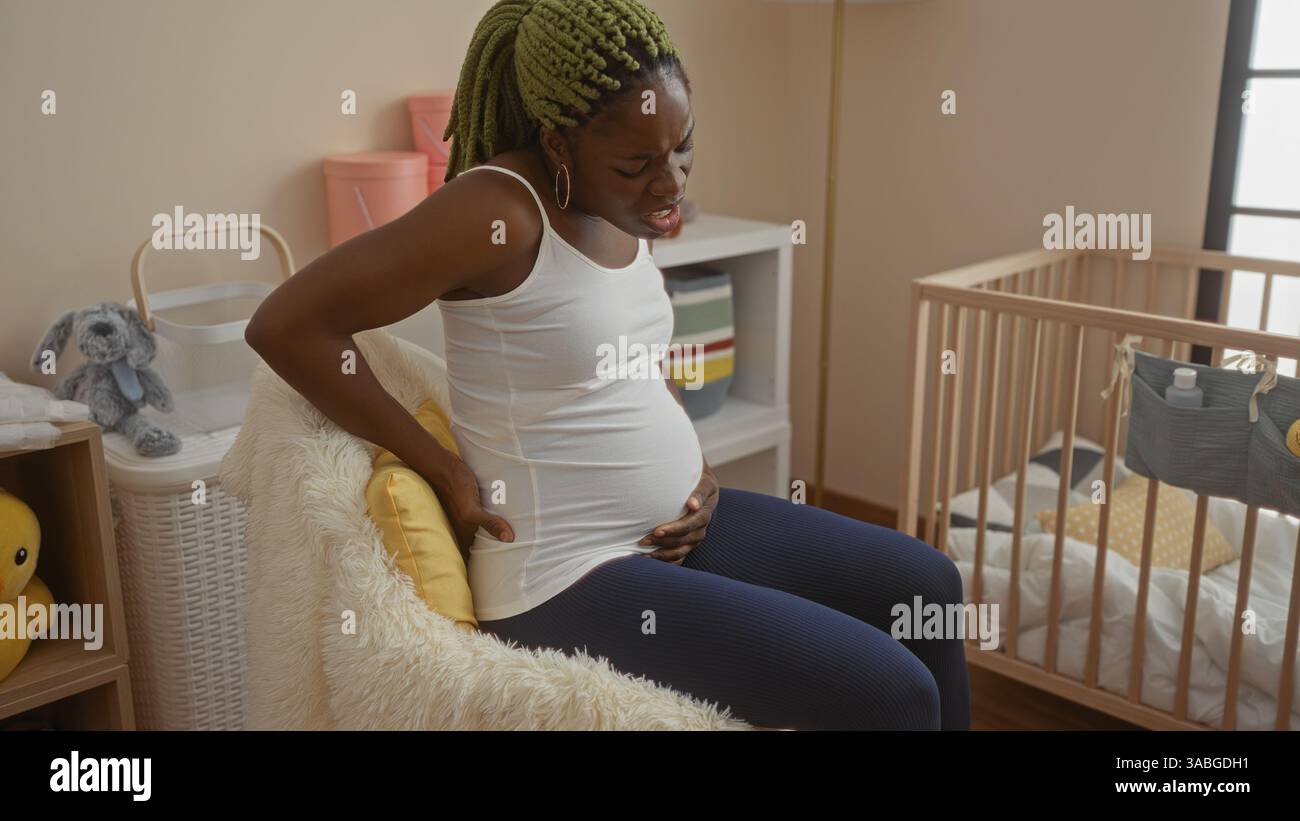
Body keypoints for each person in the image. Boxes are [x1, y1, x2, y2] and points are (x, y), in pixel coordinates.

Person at [245, 0, 970, 731]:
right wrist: (442, 465)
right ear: (560, 145)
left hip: (675, 532)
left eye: (683, 147)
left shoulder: (620, 205)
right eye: (638, 164)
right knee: (894, 695)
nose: (672, 182)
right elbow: (289, 324)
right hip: (566, 574)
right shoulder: (498, 211)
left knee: (930, 586)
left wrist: (696, 465)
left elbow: (627, 360)